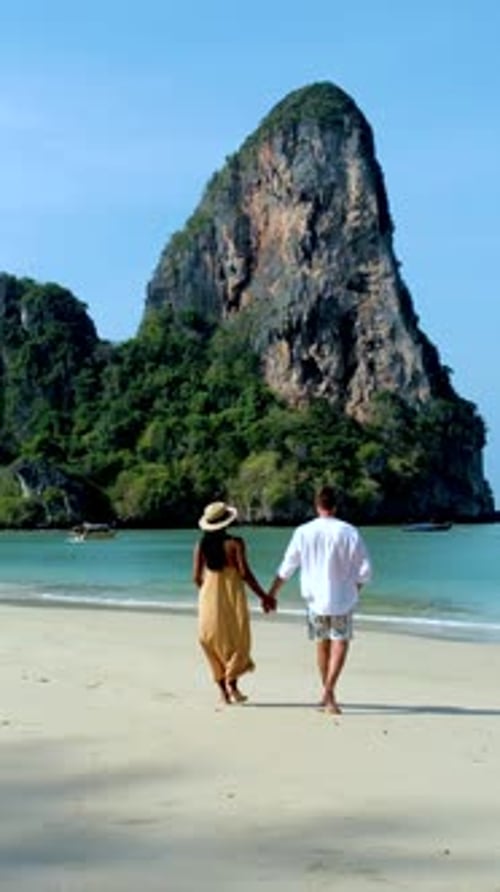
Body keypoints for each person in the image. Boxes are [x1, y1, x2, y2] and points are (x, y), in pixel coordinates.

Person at [267, 486, 372, 714]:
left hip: (315, 600)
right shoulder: (349, 532)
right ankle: (329, 692)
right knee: (340, 643)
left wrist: (271, 593)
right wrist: (355, 589)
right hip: (342, 599)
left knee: (322, 645)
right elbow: (365, 570)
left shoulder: (303, 532)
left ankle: (328, 694)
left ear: (317, 506)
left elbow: (287, 567)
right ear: (335, 506)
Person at [193, 500, 273, 705]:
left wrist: (208, 592)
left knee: (211, 641)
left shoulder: (201, 545)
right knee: (237, 640)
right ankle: (232, 684)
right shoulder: (236, 543)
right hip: (232, 596)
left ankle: (224, 693)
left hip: (208, 597)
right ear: (226, 522)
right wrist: (264, 596)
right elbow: (245, 574)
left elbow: (196, 578)